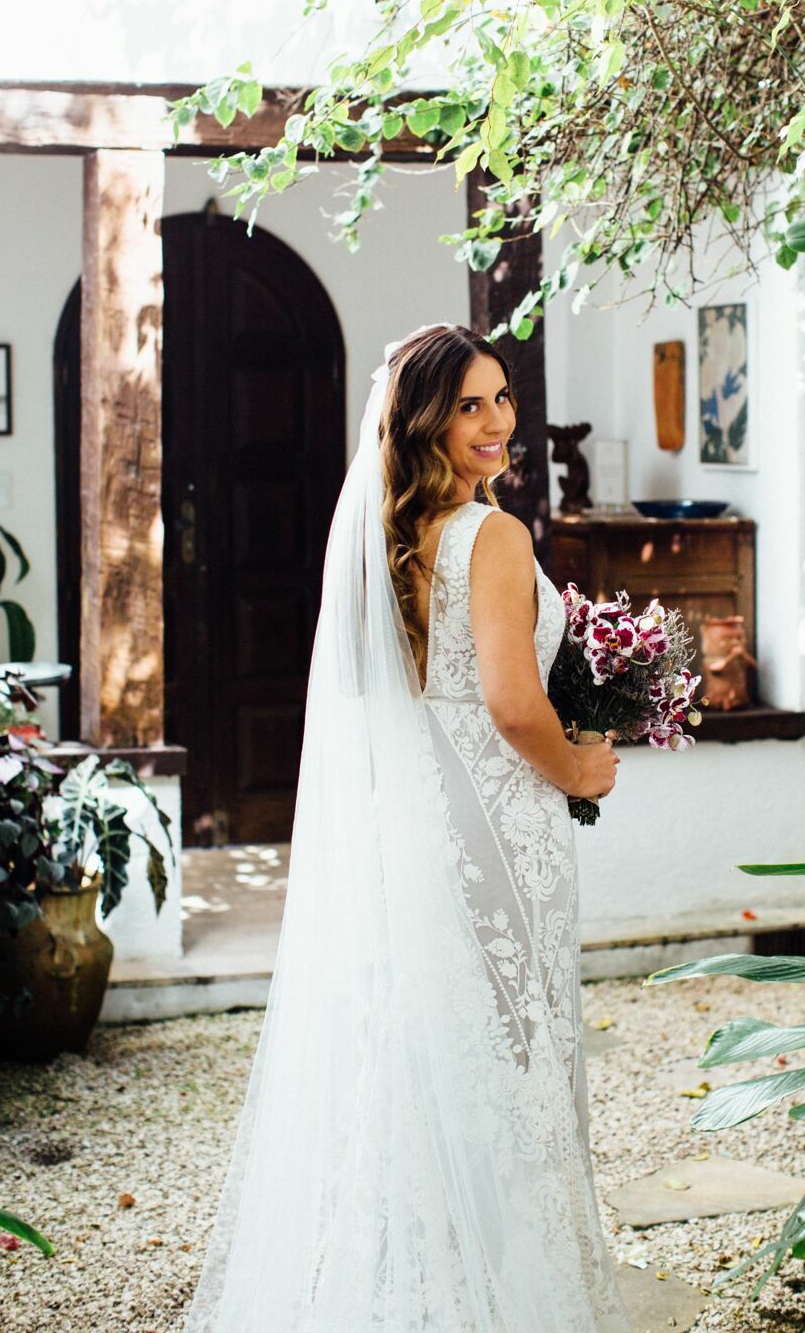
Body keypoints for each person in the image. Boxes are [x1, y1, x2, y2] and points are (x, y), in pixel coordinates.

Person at [183, 323, 630, 1333]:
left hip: (416, 819)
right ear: (424, 419)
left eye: (501, 397)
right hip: (498, 823)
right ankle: (503, 1298)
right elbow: (510, 705)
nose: (495, 421)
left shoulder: (381, 540)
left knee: (423, 1049)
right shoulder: (492, 536)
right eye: (468, 404)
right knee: (510, 1057)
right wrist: (578, 766)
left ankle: (410, 1287)